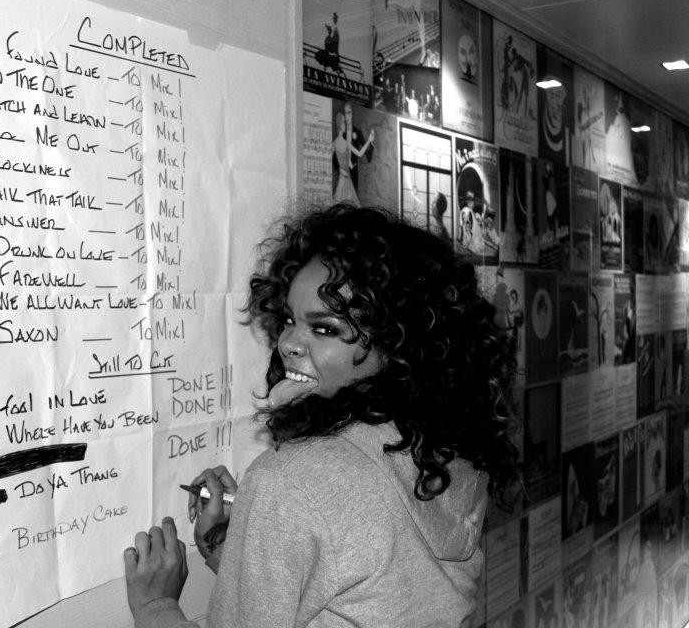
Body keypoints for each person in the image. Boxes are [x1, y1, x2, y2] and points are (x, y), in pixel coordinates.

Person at [124, 204, 520, 627]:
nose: (287, 343)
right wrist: (244, 549)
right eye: (289, 319)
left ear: (399, 345)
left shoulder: (291, 481)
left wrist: (155, 607)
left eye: (325, 328)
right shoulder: (447, 450)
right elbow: (383, 595)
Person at [332, 102, 374, 205]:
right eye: (345, 113)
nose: (347, 116)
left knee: (352, 204)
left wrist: (371, 143)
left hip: (353, 172)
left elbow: (367, 155)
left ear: (352, 114)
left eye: (349, 112)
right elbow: (334, 158)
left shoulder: (357, 132)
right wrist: (340, 168)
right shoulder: (342, 135)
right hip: (343, 172)